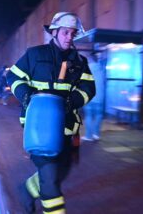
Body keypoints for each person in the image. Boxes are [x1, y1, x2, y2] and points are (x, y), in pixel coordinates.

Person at [7, 12, 95, 213]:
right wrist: (26, 95)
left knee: (60, 172)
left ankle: (27, 190)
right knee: (50, 184)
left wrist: (70, 102)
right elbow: (13, 77)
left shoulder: (79, 62)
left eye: (72, 34)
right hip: (39, 129)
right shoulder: (35, 55)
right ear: (54, 32)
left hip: (66, 129)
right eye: (65, 32)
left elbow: (89, 88)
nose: (69, 37)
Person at [81, 57, 105, 141]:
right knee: (98, 115)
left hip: (90, 96)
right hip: (100, 96)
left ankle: (88, 136)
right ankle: (96, 134)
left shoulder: (86, 69)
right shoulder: (101, 69)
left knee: (89, 115)